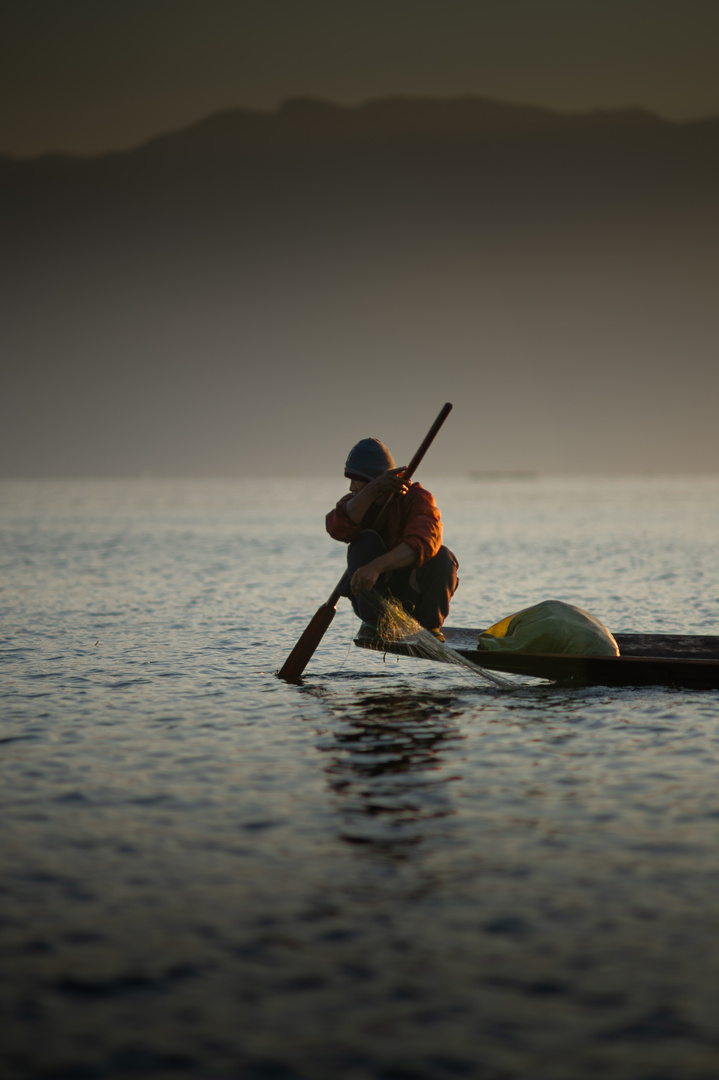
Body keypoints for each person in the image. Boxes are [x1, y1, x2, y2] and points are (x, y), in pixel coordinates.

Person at [325, 437, 459, 638]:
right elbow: (336, 527)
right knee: (364, 541)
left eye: (357, 480)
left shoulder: (418, 499)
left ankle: (430, 626)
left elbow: (422, 544)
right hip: (375, 603)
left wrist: (376, 567)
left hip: (414, 598)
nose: (352, 487)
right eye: (350, 480)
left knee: (443, 556)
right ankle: (375, 623)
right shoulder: (356, 503)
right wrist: (373, 489)